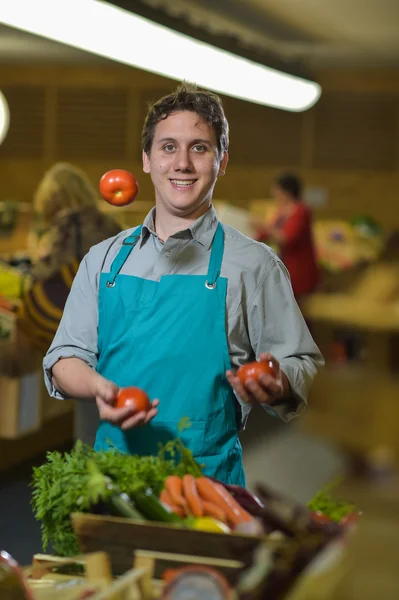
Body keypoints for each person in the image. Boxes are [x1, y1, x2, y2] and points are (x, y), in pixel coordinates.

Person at [43, 84, 324, 486]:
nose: (183, 163)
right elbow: (65, 357)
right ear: (147, 159)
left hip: (207, 484)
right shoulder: (102, 260)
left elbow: (303, 365)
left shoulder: (254, 266)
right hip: (109, 482)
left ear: (222, 160)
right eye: (168, 147)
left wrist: (277, 382)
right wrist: (98, 387)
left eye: (200, 148)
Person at [254, 173, 320, 299]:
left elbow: (286, 238)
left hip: (299, 269)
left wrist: (263, 225)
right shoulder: (282, 211)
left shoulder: (301, 211)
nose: (274, 194)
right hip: (285, 264)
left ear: (287, 191)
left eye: (277, 190)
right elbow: (267, 232)